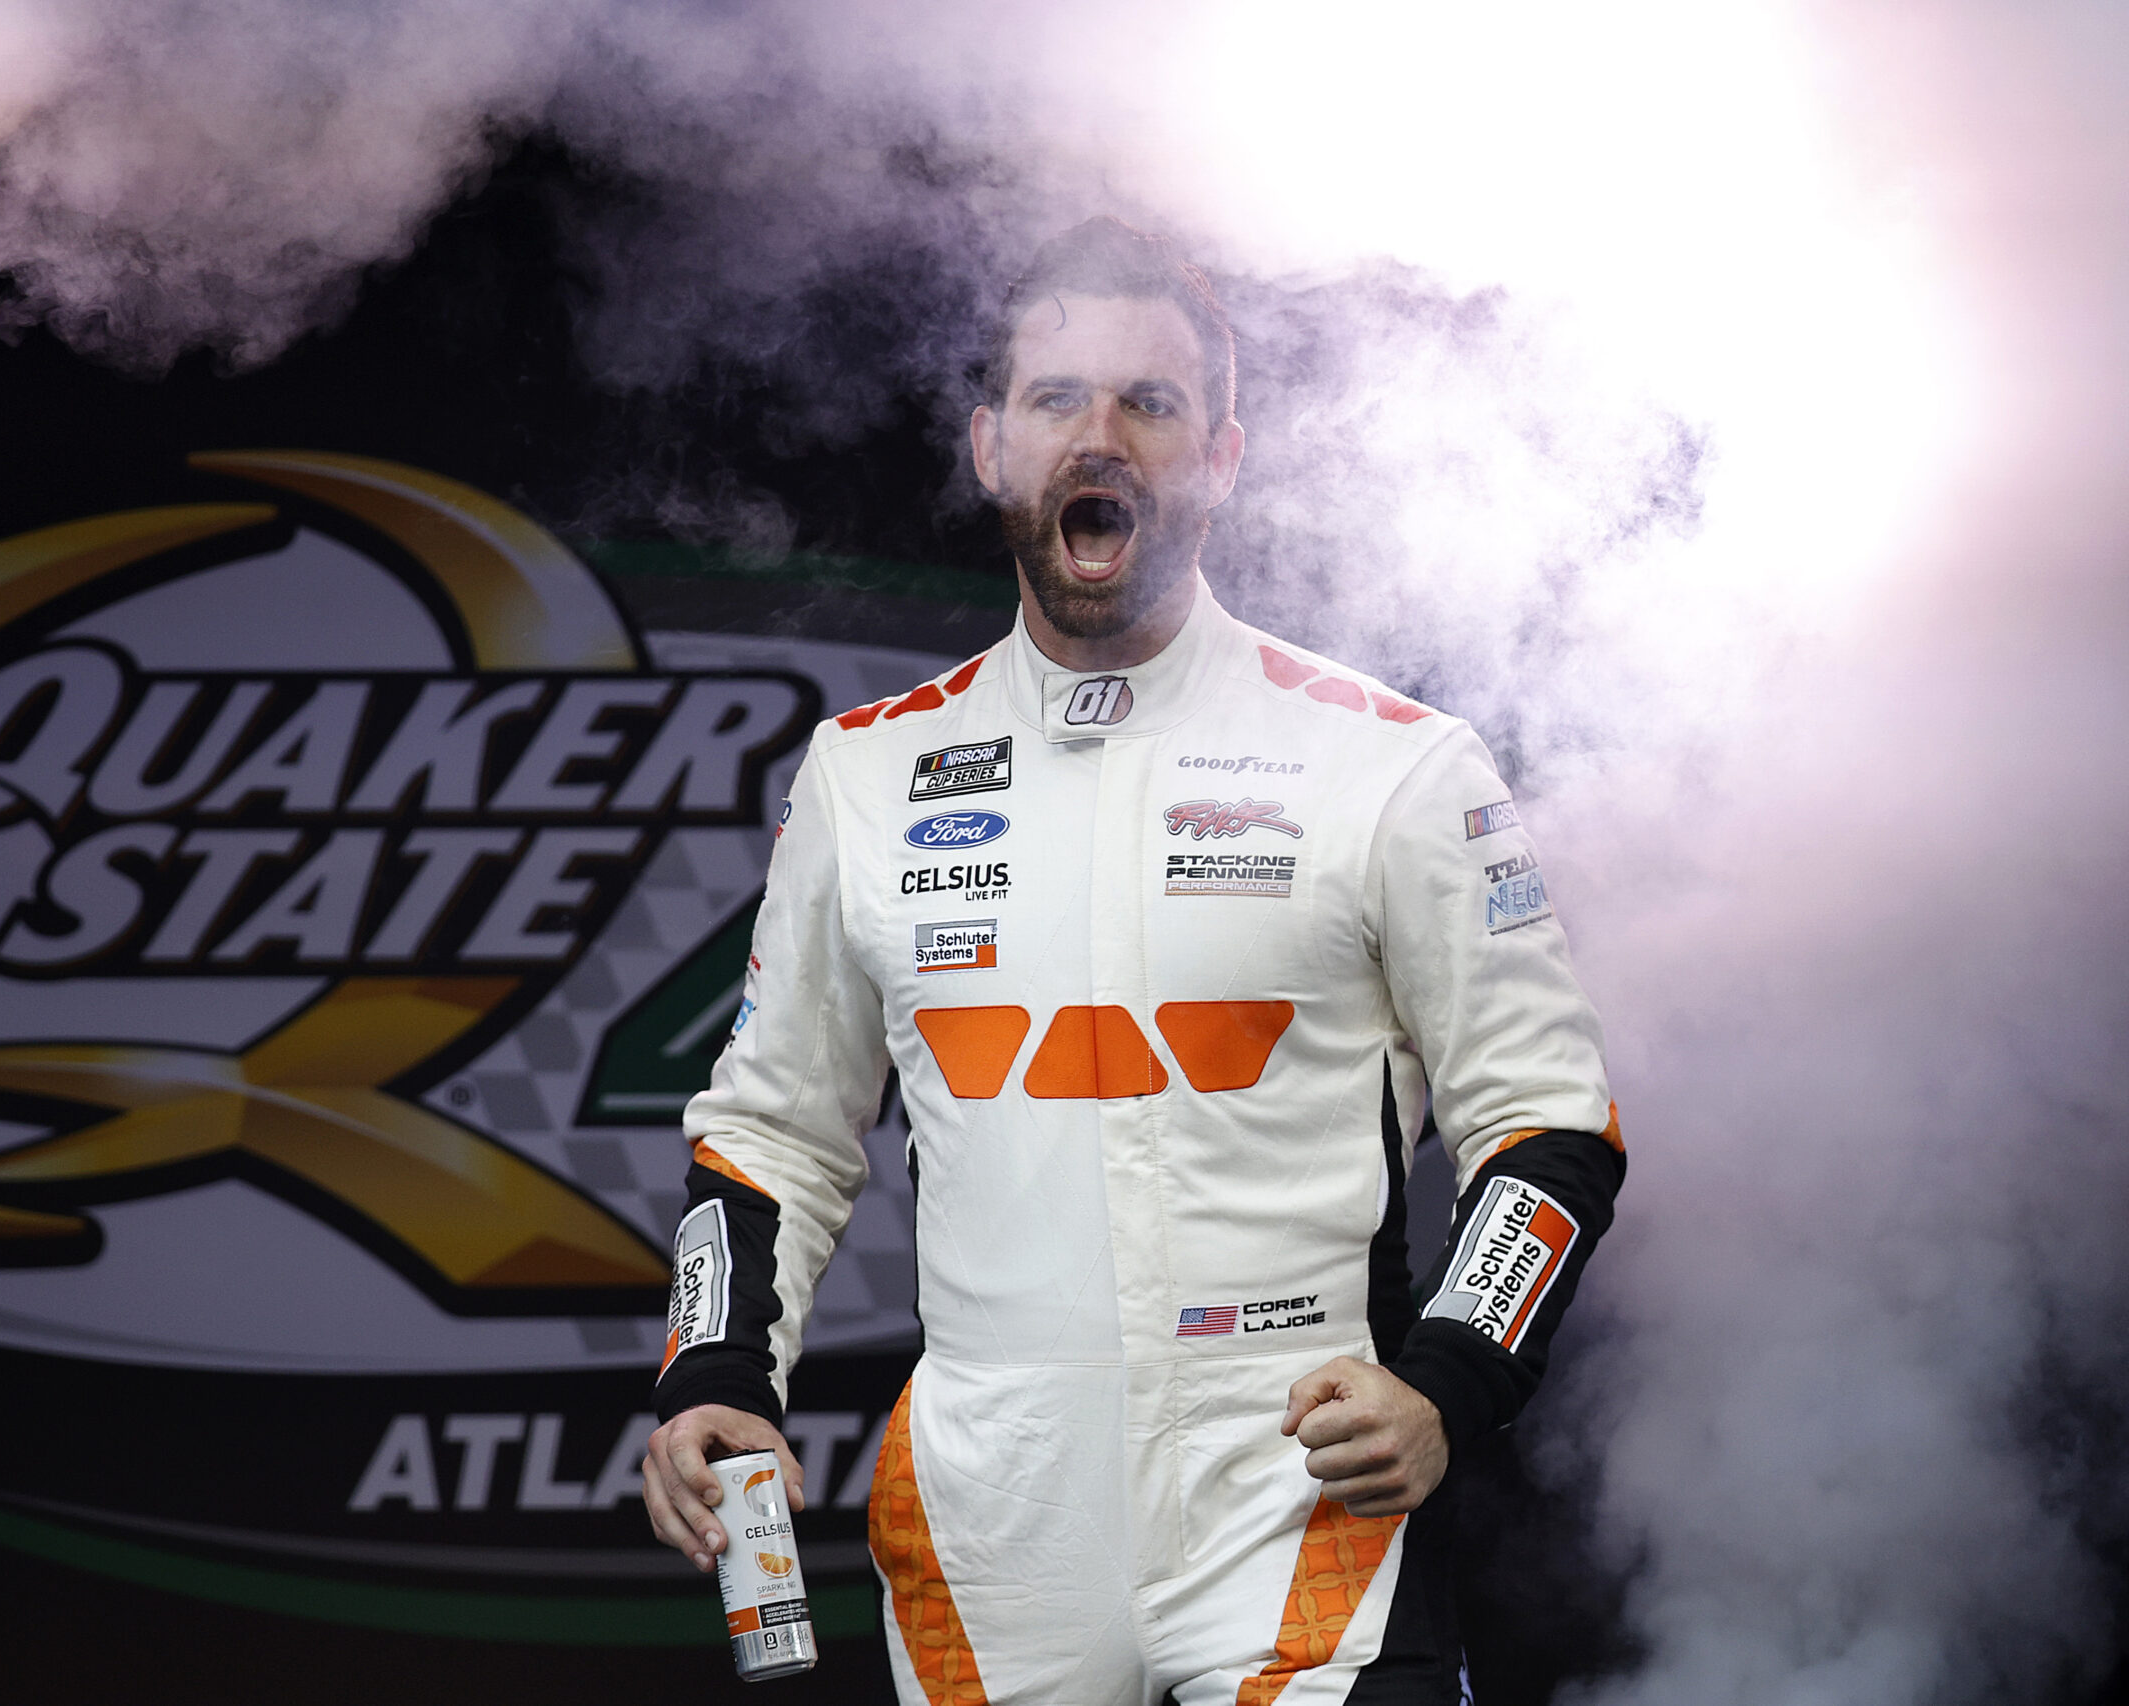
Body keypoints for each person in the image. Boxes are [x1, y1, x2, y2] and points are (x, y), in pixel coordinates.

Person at [642, 218, 1625, 1705]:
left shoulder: (1398, 763)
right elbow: (771, 1131)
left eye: (1150, 404)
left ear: (1221, 457)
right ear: (991, 445)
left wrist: (1447, 1381)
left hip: (1301, 1480)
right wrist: (714, 1372)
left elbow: (1548, 1122)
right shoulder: (866, 773)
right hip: (993, 1511)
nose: (1099, 437)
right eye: (1057, 399)